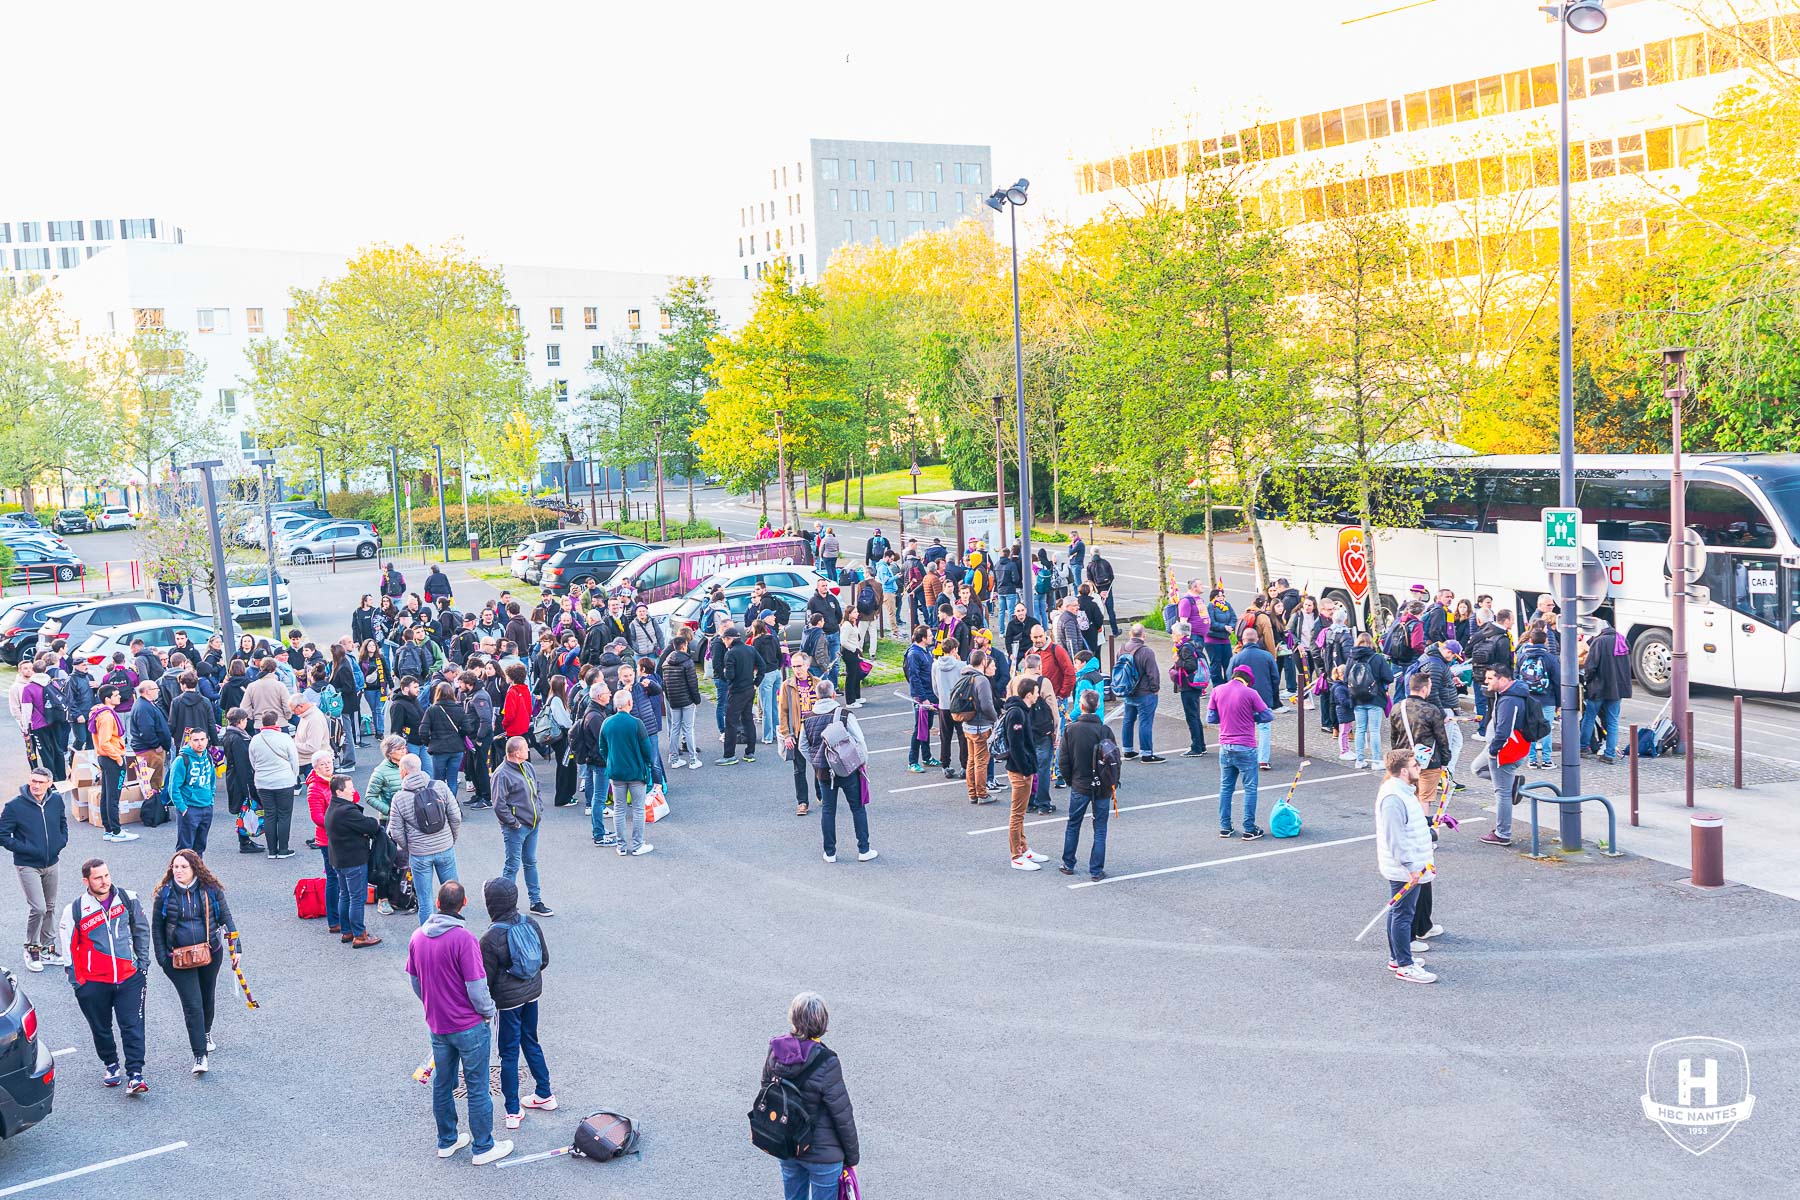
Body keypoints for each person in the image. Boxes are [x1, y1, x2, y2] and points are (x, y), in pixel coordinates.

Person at [407, 881, 511, 1164]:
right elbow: (477, 988)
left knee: (443, 1082)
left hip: (438, 1025)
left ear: (438, 904)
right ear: (463, 905)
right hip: (468, 1026)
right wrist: (488, 1011)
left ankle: (447, 1140)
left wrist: (432, 1004)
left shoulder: (417, 937)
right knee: (477, 1085)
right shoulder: (464, 940)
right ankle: (483, 1146)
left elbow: (415, 981)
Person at [60, 858, 152, 1093]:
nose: (105, 881)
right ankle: (111, 1064)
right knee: (101, 1028)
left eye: (107, 875)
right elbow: (69, 948)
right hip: (93, 983)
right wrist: (78, 983)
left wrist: (142, 965)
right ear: (86, 881)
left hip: (129, 978)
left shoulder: (128, 898)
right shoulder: (75, 909)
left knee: (132, 1026)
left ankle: (135, 1074)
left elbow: (141, 930)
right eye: (98, 877)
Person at [760, 991, 860, 1200]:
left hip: (787, 1145)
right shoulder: (827, 1061)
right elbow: (842, 1114)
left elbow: (766, 1089)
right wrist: (852, 1158)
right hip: (823, 1154)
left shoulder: (776, 1049)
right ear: (822, 1023)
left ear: (794, 1018)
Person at [150, 848, 239, 1073]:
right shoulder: (165, 894)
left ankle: (206, 1031)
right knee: (192, 1005)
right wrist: (163, 958)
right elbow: (157, 928)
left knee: (207, 998)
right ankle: (200, 1055)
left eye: (183, 867)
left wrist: (236, 948)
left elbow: (226, 918)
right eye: (175, 867)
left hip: (210, 953)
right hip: (178, 959)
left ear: (194, 869)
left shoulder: (211, 889)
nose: (178, 871)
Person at [480, 878, 556, 1132]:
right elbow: (543, 959)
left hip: (507, 1002)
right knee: (531, 1041)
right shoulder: (530, 922)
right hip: (533, 993)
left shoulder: (491, 936)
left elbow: (485, 980)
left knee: (508, 1053)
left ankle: (513, 1109)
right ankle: (544, 1092)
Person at [1376, 748, 1437, 984]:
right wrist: (1411, 866)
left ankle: (1398, 957)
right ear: (1403, 771)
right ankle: (1404, 964)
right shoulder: (1393, 797)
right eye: (1414, 765)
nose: (1419, 768)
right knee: (1402, 914)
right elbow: (1395, 838)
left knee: (1400, 912)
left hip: (1411, 863)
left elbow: (1411, 825)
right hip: (1403, 867)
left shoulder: (1402, 791)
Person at [1, 767, 69, 974]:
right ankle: (32, 949)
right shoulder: (14, 806)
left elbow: (62, 824)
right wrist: (27, 850)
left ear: (49, 783)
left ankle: (48, 950)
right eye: (33, 781)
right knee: (38, 908)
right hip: (27, 864)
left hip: (52, 862)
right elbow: (3, 835)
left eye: (40, 782)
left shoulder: (56, 801)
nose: (36, 785)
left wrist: (61, 842)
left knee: (50, 907)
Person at [391, 754, 463, 927]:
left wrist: (410, 847)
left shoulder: (399, 798)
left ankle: (428, 938)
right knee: (453, 894)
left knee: (425, 899)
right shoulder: (440, 786)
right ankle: (454, 931)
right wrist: (450, 838)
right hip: (445, 847)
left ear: (403, 771)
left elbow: (395, 831)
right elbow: (455, 816)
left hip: (419, 854)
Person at [1208, 664, 1273, 839]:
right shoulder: (1251, 693)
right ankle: (1249, 828)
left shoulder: (1218, 690)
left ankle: (1225, 827)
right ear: (1248, 680)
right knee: (1250, 788)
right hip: (1246, 747)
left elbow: (1210, 718)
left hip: (1225, 747)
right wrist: (1252, 717)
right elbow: (1268, 715)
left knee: (1226, 788)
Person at [1057, 689, 1115, 880]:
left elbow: (1063, 761)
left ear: (1080, 706)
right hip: (1102, 786)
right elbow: (1114, 759)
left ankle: (1068, 863)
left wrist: (1069, 781)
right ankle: (1096, 870)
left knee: (1073, 824)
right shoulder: (1105, 730)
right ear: (1097, 706)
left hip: (1079, 784)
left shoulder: (1071, 730)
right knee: (1100, 828)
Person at [492, 736, 554, 914]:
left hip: (533, 824)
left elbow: (536, 789)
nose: (529, 750)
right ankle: (505, 906)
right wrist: (514, 823)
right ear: (516, 753)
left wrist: (539, 810)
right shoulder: (501, 774)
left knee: (530, 863)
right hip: (516, 828)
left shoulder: (527, 767)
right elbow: (498, 804)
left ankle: (536, 901)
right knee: (512, 865)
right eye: (526, 748)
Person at [324, 773, 383, 948]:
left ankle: (347, 931)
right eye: (350, 788)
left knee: (345, 895)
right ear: (339, 791)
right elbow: (372, 825)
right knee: (357, 897)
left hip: (339, 859)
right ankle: (359, 935)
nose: (353, 791)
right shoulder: (347, 811)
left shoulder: (333, 807)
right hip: (353, 860)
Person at [999, 677, 1049, 871]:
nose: (1038, 695)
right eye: (1036, 692)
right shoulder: (1017, 714)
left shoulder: (1022, 711)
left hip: (1023, 769)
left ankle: (1024, 848)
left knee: (1019, 814)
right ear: (1028, 694)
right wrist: (1027, 769)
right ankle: (1016, 855)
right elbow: (1017, 746)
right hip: (1019, 770)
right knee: (1017, 814)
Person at [1478, 664, 1530, 847]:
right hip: (1501, 748)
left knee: (1502, 794)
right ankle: (1513, 783)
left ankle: (1502, 833)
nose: (1486, 682)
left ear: (1502, 679)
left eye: (1490, 678)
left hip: (1504, 751)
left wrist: (1493, 751)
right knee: (1477, 768)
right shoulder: (1507, 695)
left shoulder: (1509, 700)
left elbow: (1504, 731)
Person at [601, 693, 656, 857]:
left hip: (616, 772)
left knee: (619, 808)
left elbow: (602, 748)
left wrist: (610, 761)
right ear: (630, 703)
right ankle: (638, 844)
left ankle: (621, 845)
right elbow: (647, 749)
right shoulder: (636, 723)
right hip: (636, 772)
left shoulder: (607, 723)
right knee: (638, 809)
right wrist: (647, 764)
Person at [778, 652, 825, 816]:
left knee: (819, 766)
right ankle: (802, 802)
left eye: (799, 666)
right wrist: (786, 734)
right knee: (799, 769)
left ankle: (821, 795)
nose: (796, 670)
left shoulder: (818, 683)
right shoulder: (787, 685)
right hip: (797, 732)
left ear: (807, 665)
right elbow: (783, 711)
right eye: (793, 666)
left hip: (816, 732)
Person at [1579, 621, 1632, 764]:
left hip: (1598, 687)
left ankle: (1583, 747)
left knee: (1589, 717)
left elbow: (1591, 666)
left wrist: (1587, 681)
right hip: (1617, 689)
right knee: (1613, 721)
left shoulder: (1599, 641)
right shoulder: (1622, 640)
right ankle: (1609, 754)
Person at [1227, 630, 1281, 770]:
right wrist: (1272, 693)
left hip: (1241, 699)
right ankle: (1263, 759)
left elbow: (1229, 677)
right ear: (1257, 639)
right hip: (1264, 697)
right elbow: (1275, 678)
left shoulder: (1236, 658)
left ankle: (1244, 757)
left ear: (1243, 641)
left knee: (1244, 728)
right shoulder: (1267, 656)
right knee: (1264, 728)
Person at [90, 685, 136, 843]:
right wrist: (117, 758)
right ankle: (116, 831)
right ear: (107, 699)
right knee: (113, 796)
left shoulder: (99, 712)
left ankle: (109, 829)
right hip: (111, 758)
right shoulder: (107, 717)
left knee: (107, 794)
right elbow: (105, 742)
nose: (119, 698)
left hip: (105, 758)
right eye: (116, 695)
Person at [953, 648, 998, 804]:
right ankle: (982, 794)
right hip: (981, 726)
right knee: (981, 762)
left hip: (967, 725)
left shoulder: (965, 676)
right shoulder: (981, 680)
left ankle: (972, 793)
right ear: (984, 662)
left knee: (971, 761)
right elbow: (986, 705)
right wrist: (996, 719)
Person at [1344, 633, 1394, 771]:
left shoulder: (1351, 658)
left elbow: (1345, 678)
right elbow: (1389, 677)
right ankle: (1376, 761)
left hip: (1357, 699)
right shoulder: (1377, 658)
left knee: (1360, 729)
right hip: (1375, 698)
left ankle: (1360, 760)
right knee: (1374, 730)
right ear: (1371, 643)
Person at [167, 727, 218, 856]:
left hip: (206, 807)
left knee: (200, 848)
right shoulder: (181, 760)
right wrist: (182, 808)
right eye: (195, 740)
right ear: (189, 741)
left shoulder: (208, 757)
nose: (199, 743)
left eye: (202, 739)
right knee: (185, 850)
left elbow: (212, 780)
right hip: (189, 809)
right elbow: (173, 788)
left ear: (207, 740)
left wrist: (211, 799)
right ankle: (181, 875)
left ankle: (198, 875)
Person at [1116, 623, 1163, 763]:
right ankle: (1147, 754)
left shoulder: (1122, 649)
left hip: (1127, 691)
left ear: (1130, 634)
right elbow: (1152, 673)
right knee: (1145, 723)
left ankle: (1128, 750)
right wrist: (1155, 689)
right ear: (1144, 635)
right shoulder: (1146, 651)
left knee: (1128, 720)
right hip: (1144, 693)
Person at [1516, 623, 1561, 768]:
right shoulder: (1550, 658)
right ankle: (1547, 760)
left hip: (1528, 698)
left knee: (1530, 727)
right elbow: (1557, 681)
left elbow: (1516, 678)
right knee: (1546, 727)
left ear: (1530, 640)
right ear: (1545, 641)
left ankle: (1532, 759)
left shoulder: (1522, 657)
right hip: (1547, 697)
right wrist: (1559, 702)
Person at [718, 625, 763, 765]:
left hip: (736, 691)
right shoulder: (750, 649)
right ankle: (750, 752)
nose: (724, 643)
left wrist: (725, 672)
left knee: (731, 722)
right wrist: (756, 682)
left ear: (729, 639)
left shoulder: (730, 653)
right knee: (748, 719)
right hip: (750, 689)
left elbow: (730, 675)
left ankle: (729, 755)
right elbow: (762, 666)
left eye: (725, 640)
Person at [1169, 619, 1210, 758]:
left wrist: (1177, 661)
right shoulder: (1191, 644)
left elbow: (1191, 665)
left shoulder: (1185, 647)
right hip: (1193, 685)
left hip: (1189, 686)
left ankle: (1196, 747)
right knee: (1194, 716)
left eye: (1174, 633)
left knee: (1191, 716)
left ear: (1181, 634)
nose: (1171, 635)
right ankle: (1201, 745)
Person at [127, 679, 173, 803]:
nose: (158, 691)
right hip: (149, 750)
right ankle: (153, 806)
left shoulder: (147, 704)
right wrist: (156, 744)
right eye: (155, 689)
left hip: (151, 748)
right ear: (147, 691)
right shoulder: (143, 707)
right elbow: (146, 730)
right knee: (153, 781)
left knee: (155, 779)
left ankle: (155, 805)